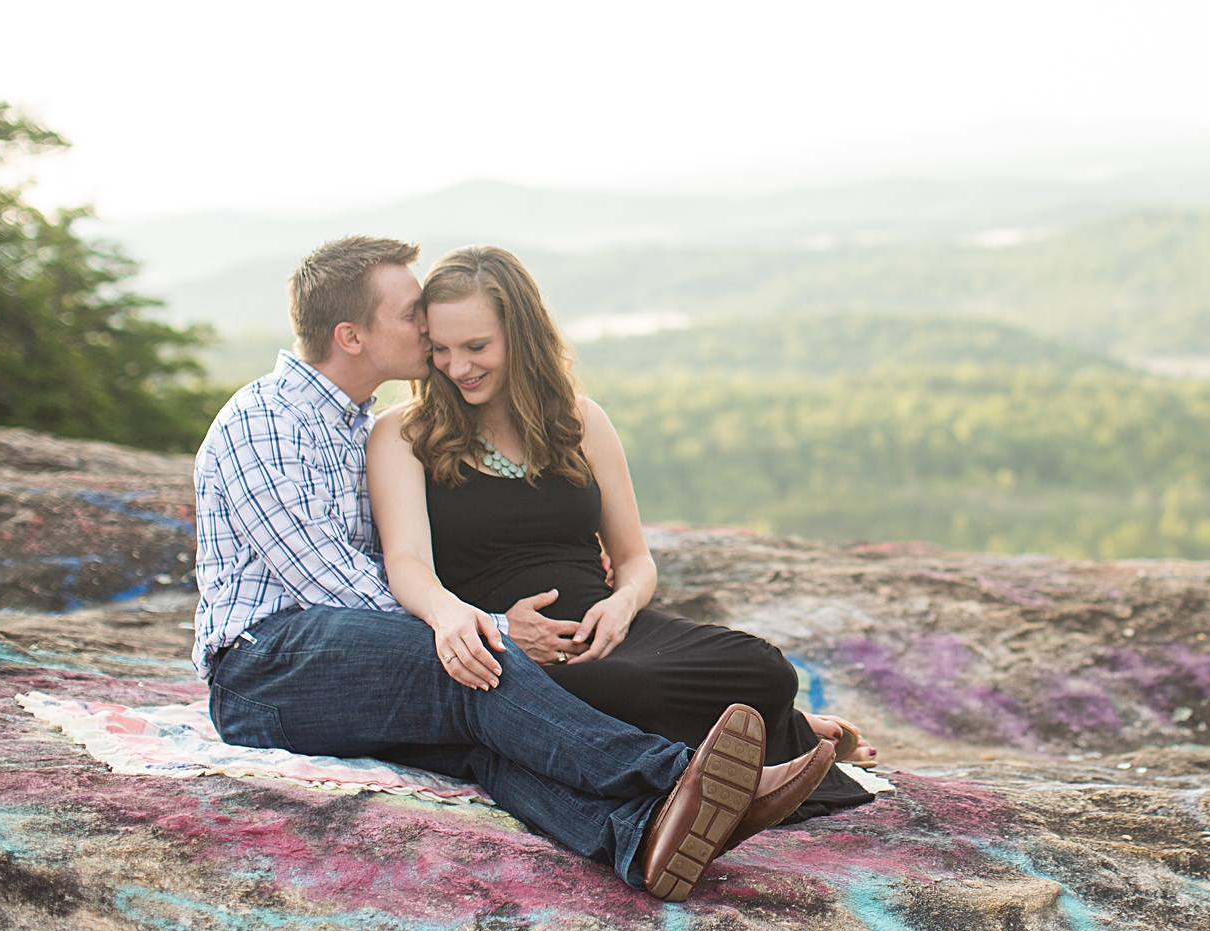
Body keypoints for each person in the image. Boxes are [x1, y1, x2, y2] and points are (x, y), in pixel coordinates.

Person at [192, 236, 837, 902]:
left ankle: (642, 836)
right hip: (266, 663)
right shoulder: (263, 422)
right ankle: (679, 776)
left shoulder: (352, 423)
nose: (428, 329)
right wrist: (487, 626)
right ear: (352, 335)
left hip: (341, 664)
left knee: (484, 745)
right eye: (412, 313)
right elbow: (336, 590)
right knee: (471, 667)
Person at [365, 245, 876, 824]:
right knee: (613, 690)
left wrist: (622, 605)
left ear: (521, 335)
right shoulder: (405, 433)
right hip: (519, 653)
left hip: (613, 632)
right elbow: (405, 561)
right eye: (441, 349)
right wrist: (454, 617)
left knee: (763, 669)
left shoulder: (581, 421)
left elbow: (635, 559)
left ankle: (766, 743)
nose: (459, 367)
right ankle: (747, 760)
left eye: (477, 347)